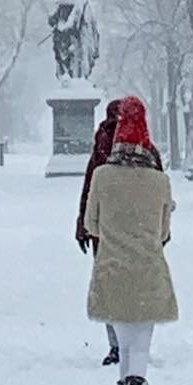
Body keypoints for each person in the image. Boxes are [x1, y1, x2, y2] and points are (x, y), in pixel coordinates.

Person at [83, 96, 177, 385]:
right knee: (140, 346)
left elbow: (92, 223)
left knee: (124, 345)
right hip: (148, 272)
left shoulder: (103, 176)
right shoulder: (160, 182)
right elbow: (164, 233)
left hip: (112, 271)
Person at [78, 99, 123, 366]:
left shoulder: (102, 143)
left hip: (102, 226)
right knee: (132, 285)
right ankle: (128, 343)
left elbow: (89, 185)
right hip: (131, 228)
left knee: (109, 284)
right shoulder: (143, 148)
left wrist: (83, 223)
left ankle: (117, 343)